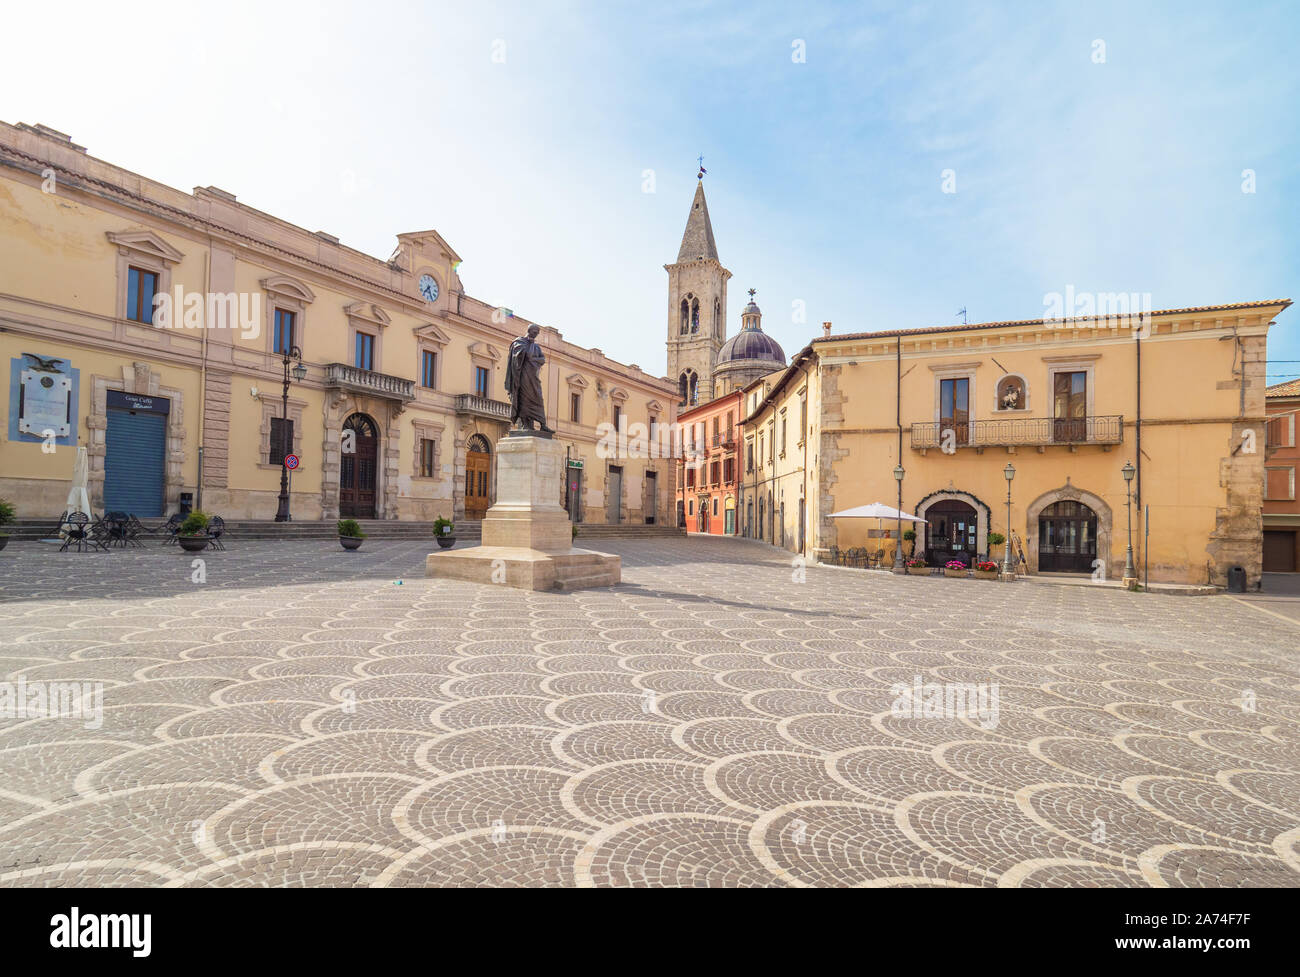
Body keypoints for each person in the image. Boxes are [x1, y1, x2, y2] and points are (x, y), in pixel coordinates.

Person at [504, 324, 553, 433]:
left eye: (538, 333)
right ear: (529, 331)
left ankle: (542, 424)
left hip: (533, 378)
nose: (536, 335)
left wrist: (533, 359)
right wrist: (527, 356)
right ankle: (526, 425)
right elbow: (516, 358)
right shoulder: (519, 342)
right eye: (535, 332)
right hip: (523, 377)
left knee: (538, 398)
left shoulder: (536, 347)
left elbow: (542, 359)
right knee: (524, 400)